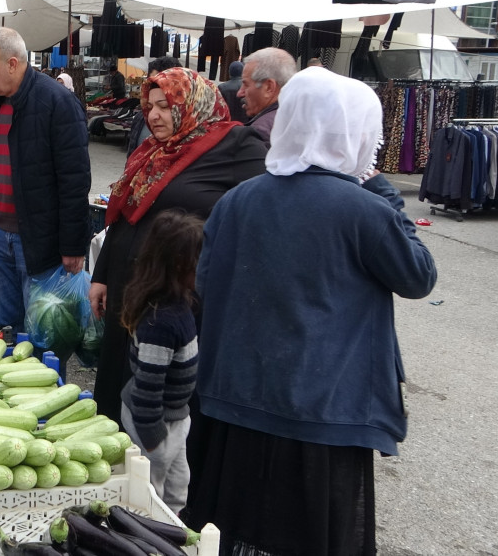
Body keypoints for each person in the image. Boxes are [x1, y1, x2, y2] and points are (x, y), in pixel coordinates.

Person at [186, 67, 437, 552]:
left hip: (235, 398)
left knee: (231, 528)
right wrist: (382, 189)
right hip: (322, 410)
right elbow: (418, 276)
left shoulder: (238, 200)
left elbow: (205, 284)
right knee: (311, 534)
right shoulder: (363, 208)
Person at [89, 67, 266, 428]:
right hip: (128, 283)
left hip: (177, 294)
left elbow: (263, 212)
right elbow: (125, 215)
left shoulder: (235, 146)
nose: (154, 115)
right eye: (150, 106)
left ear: (193, 105)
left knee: (159, 393)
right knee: (119, 380)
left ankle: (160, 470)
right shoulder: (150, 151)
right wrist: (102, 274)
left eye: (166, 106)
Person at [0, 27, 90, 337]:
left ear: (12, 64)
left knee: (46, 333)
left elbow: (75, 180)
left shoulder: (57, 103)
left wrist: (72, 244)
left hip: (41, 241)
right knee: (4, 329)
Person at [118, 209, 205, 514]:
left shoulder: (179, 306)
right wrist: (154, 444)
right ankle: (146, 538)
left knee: (178, 488)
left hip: (176, 418)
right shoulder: (162, 323)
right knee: (149, 496)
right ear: (181, 266)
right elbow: (147, 390)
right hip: (154, 425)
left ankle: (172, 534)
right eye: (200, 262)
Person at [238, 47, 297, 145]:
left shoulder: (259, 132)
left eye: (246, 84)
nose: (240, 92)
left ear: (269, 87)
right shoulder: (300, 119)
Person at [127, 56, 182, 155]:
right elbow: (132, 154)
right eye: (153, 82)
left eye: (164, 106)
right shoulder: (141, 119)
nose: (153, 116)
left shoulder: (198, 142)